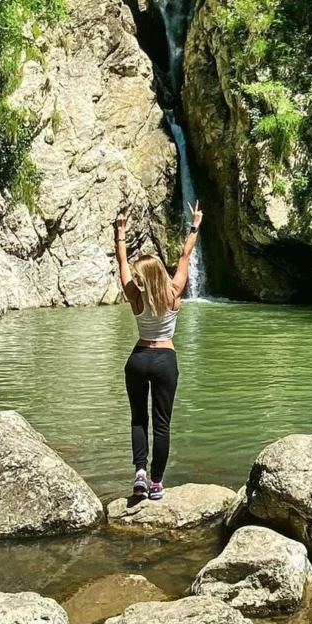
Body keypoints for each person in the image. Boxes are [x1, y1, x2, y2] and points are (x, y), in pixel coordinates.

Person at [114, 201, 203, 500]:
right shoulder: (175, 292)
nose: (136, 279)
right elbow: (184, 255)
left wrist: (121, 232)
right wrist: (194, 226)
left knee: (138, 419)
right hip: (166, 359)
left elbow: (122, 265)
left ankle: (139, 472)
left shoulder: (134, 296)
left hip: (138, 359)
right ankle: (155, 483)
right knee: (161, 425)